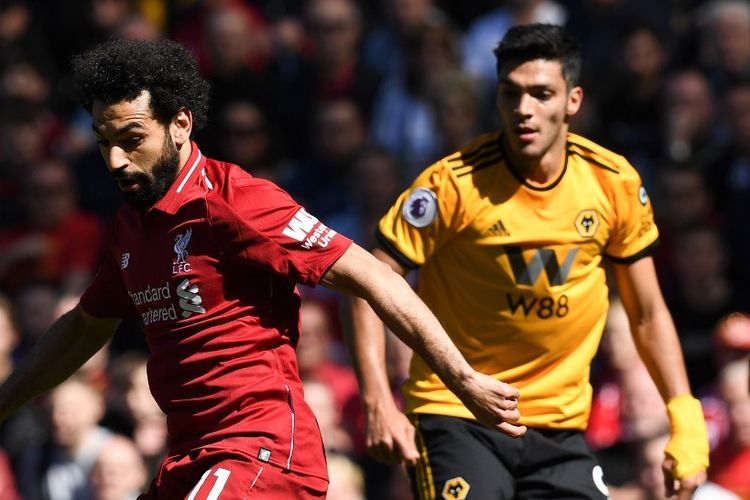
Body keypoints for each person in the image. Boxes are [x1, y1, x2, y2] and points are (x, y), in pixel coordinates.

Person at [0, 37, 525, 499]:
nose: (115, 160)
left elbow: (374, 276)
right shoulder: (132, 227)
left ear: (180, 123)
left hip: (262, 453)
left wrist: (463, 378)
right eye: (103, 142)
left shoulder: (236, 202)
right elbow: (82, 329)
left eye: (132, 139)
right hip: (187, 459)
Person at [349, 24, 709, 499]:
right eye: (511, 93)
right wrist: (378, 401)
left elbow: (646, 311)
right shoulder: (452, 184)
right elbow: (367, 281)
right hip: (457, 414)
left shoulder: (612, 182)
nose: (524, 110)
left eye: (541, 94)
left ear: (573, 101)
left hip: (559, 427)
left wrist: (685, 417)